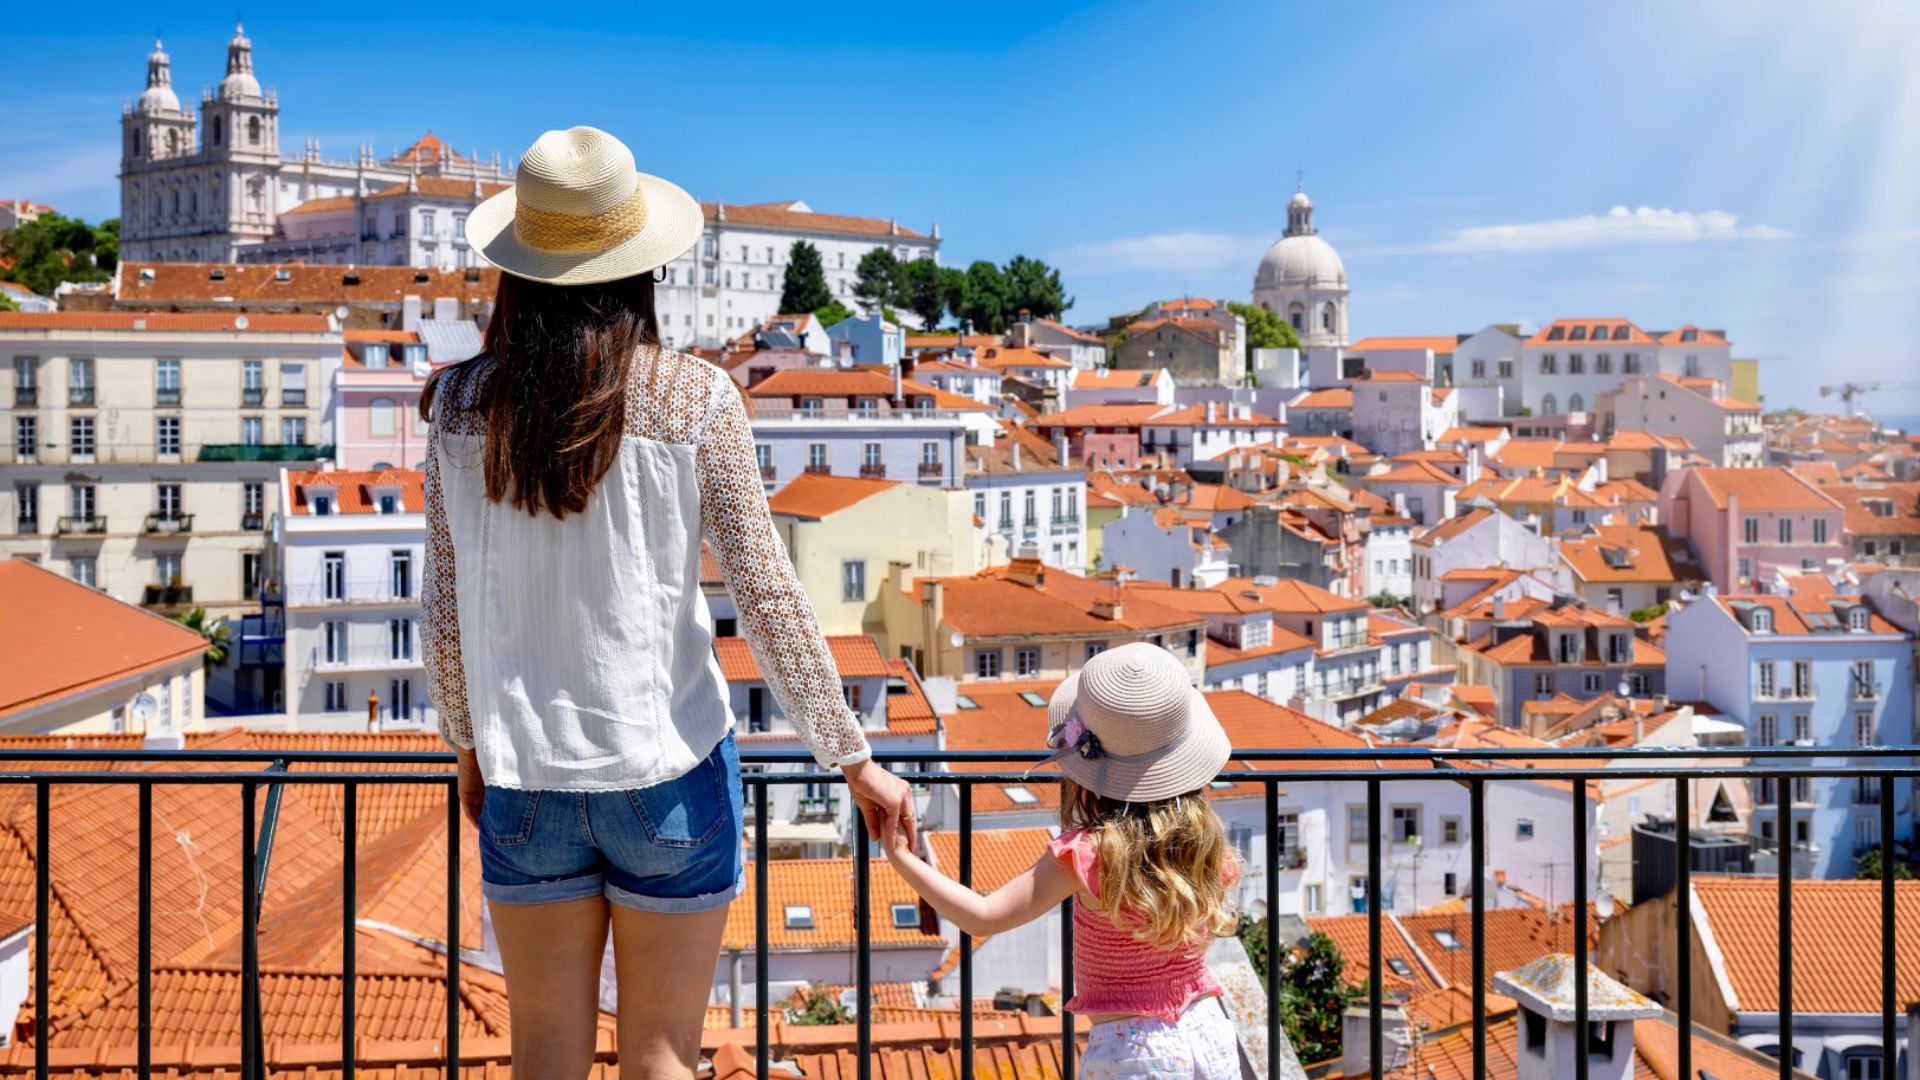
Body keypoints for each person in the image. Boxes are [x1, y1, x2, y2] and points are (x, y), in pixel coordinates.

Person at [421, 126, 915, 1079]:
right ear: (636, 266)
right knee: (660, 1060)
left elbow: (447, 609)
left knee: (545, 1062)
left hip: (527, 775)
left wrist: (469, 745)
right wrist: (853, 759)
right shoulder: (695, 399)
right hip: (666, 771)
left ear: (517, 271)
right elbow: (767, 596)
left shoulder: (459, 407)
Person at [880, 642, 1242, 1080]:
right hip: (1210, 1029)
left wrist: (900, 856)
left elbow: (983, 917)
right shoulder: (1205, 841)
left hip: (1137, 1052)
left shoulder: (1091, 854)